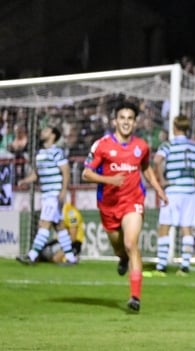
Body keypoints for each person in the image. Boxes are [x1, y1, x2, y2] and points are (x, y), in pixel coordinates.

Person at [82, 101, 168, 312]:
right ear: (115, 121)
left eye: (130, 118)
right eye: (122, 118)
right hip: (108, 205)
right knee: (120, 248)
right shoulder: (101, 145)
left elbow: (146, 168)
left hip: (133, 201)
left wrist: (158, 188)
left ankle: (135, 297)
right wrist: (110, 180)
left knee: (131, 244)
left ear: (135, 122)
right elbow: (86, 174)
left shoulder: (141, 146)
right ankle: (121, 258)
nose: (126, 122)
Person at [152, 114, 195, 275]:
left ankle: (161, 266)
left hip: (173, 191)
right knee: (187, 229)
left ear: (174, 127)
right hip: (190, 192)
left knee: (165, 227)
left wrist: (162, 179)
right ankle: (185, 266)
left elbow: (157, 160)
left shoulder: (168, 145)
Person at [15, 126, 79, 266]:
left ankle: (32, 256)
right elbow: (36, 174)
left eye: (46, 131)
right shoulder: (40, 153)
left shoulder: (57, 152)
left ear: (53, 135)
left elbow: (66, 171)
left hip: (54, 194)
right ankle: (71, 258)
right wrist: (25, 180)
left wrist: (63, 190)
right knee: (59, 226)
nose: (42, 132)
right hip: (47, 195)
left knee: (44, 223)